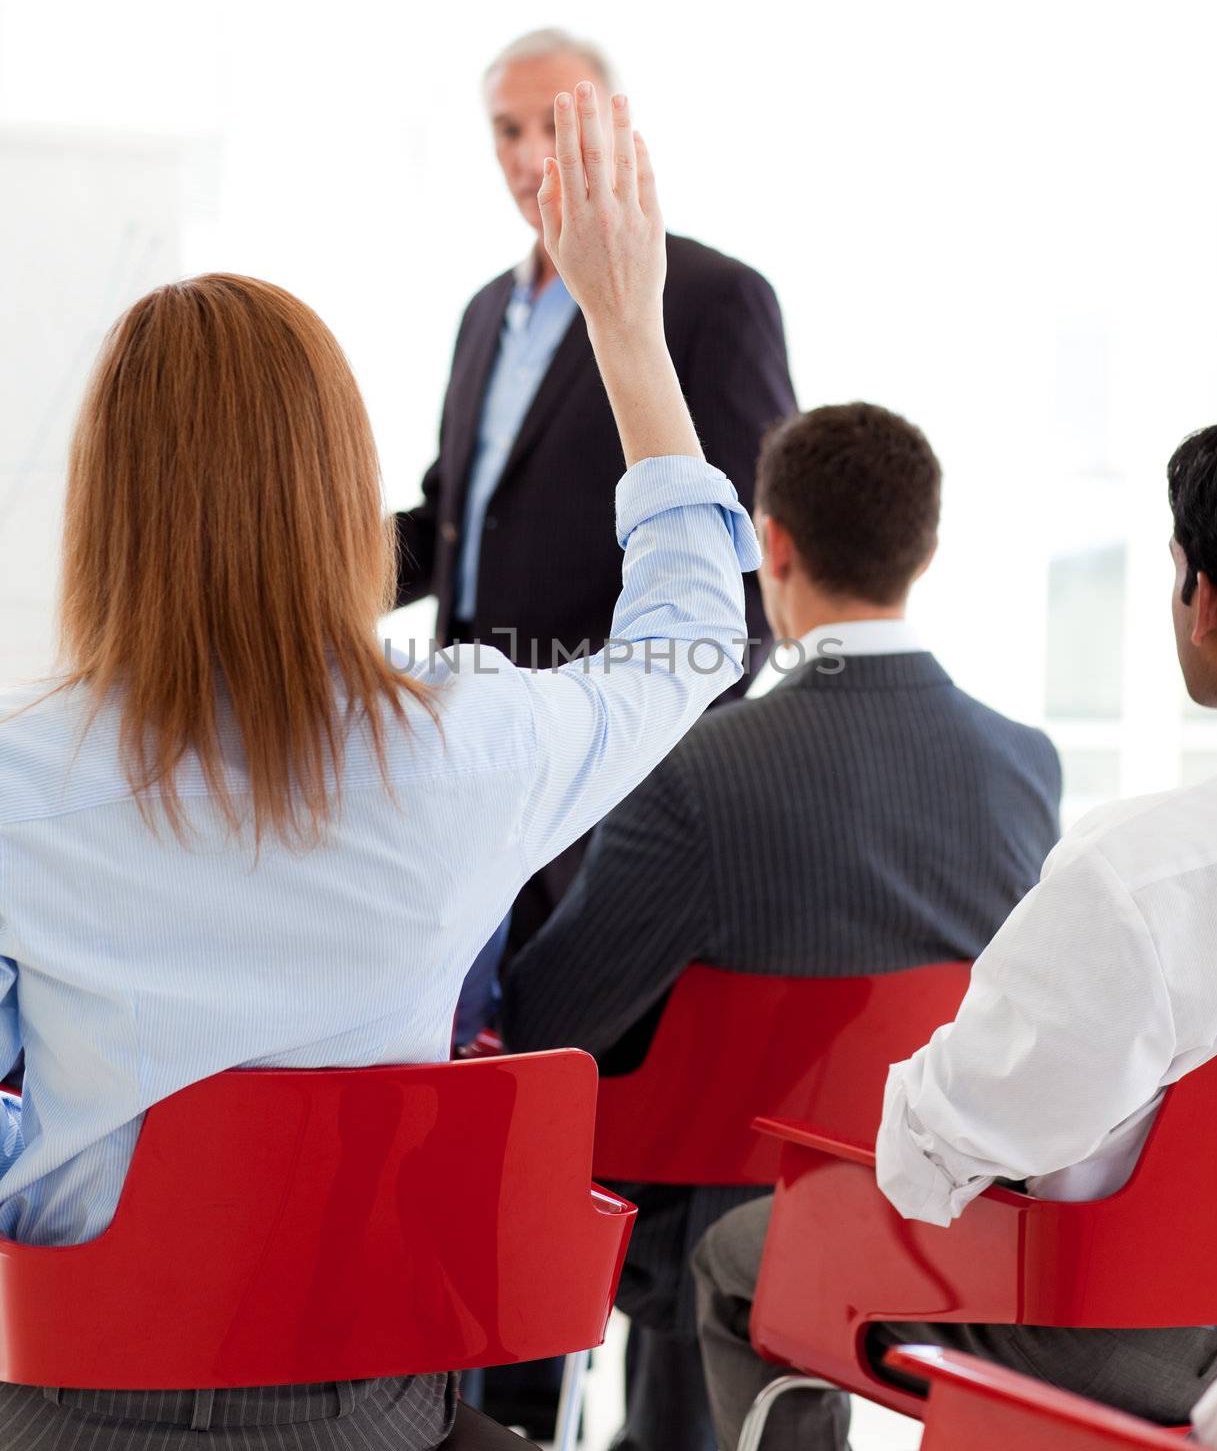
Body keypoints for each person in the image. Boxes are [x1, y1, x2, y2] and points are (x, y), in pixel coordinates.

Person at [0, 82, 760, 1450]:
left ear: (100, 506)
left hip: (60, 1404)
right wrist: (626, 329)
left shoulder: (15, 785)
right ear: (340, 492)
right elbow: (695, 636)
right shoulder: (466, 743)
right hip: (374, 1411)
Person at [503, 403, 1062, 1451]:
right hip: (925, 1214)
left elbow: (550, 1013)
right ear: (928, 549)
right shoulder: (1024, 767)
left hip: (702, 1229)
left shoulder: (697, 768)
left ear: (775, 546)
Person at [693, 423, 1217, 1449]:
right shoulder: (1040, 778)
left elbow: (954, 1140)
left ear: (1203, 600)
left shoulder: (1142, 871)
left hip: (1105, 1321)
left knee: (735, 1259)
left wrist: (900, 1124)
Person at [393, 28, 796, 954]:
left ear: (619, 135)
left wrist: (655, 756)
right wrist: (282, 572)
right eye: (506, 129)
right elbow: (451, 522)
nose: (530, 154)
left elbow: (756, 566)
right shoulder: (485, 311)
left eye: (555, 123)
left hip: (606, 776)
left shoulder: (711, 296)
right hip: (466, 777)